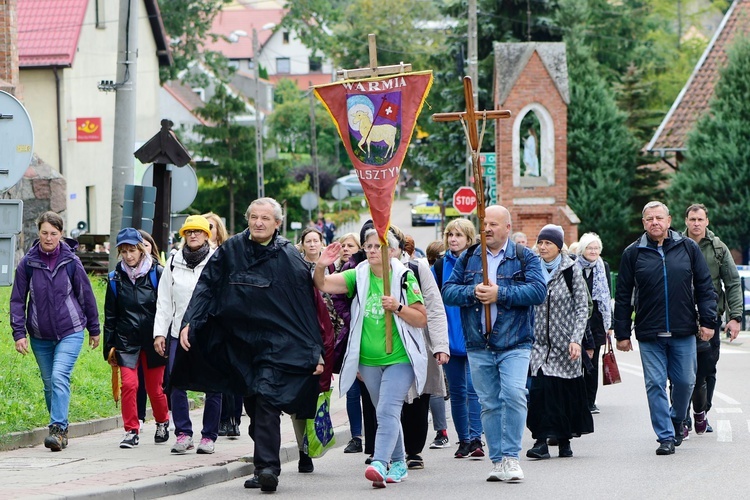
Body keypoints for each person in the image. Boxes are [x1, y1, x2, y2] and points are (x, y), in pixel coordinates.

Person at [169, 198, 329, 493]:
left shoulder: (290, 259)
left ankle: (269, 468)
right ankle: (261, 464)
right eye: (253, 217)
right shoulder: (231, 251)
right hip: (239, 343)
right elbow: (207, 285)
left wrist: (314, 349)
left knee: (267, 397)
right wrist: (191, 320)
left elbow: (306, 308)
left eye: (265, 218)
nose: (258, 222)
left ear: (277, 223)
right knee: (253, 404)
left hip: (276, 346)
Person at [314, 228, 429, 488]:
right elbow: (323, 284)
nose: (373, 251)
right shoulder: (359, 274)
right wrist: (321, 265)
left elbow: (421, 318)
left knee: (388, 410)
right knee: (385, 412)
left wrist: (398, 308)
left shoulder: (403, 277)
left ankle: (379, 461)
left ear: (390, 250)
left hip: (399, 358)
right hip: (368, 360)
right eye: (369, 246)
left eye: (379, 246)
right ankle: (399, 462)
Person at [442, 205, 546, 482]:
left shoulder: (525, 257)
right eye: (484, 224)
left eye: (493, 224)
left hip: (515, 342)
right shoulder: (469, 258)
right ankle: (498, 460)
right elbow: (449, 292)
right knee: (489, 403)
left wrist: (501, 293)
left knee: (513, 394)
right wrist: (473, 292)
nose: (486, 229)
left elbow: (538, 291)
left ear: (507, 228)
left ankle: (512, 457)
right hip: (479, 343)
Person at [614, 201, 717, 456]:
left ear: (669, 220)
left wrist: (708, 322)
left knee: (685, 381)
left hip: (683, 330)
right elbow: (624, 294)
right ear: (643, 223)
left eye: (659, 217)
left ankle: (677, 418)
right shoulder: (633, 253)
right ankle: (665, 436)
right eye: (649, 219)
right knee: (655, 384)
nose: (654, 222)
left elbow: (705, 287)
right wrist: (622, 334)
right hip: (650, 333)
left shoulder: (688, 247)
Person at [10, 211, 101, 451]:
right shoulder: (28, 263)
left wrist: (94, 328)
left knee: (60, 376)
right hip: (40, 336)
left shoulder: (71, 261)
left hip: (70, 331)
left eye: (53, 233)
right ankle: (60, 428)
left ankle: (57, 429)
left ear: (61, 234)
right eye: (44, 233)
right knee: (49, 384)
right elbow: (18, 300)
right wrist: (19, 333)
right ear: (37, 232)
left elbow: (86, 295)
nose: (48, 238)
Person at [152, 215, 221, 455]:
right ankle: (183, 433)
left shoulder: (217, 261)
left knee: (213, 385)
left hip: (209, 333)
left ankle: (209, 436)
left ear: (206, 235)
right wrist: (159, 333)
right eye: (188, 232)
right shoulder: (173, 262)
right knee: (176, 383)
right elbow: (163, 301)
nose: (193, 235)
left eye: (198, 231)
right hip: (175, 332)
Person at [526, 225, 593, 459]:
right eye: (540, 243)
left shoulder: (571, 269)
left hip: (566, 343)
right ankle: (540, 442)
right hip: (538, 344)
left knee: (563, 393)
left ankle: (564, 441)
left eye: (548, 243)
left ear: (558, 246)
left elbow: (582, 307)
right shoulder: (532, 267)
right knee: (540, 391)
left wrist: (576, 339)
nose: (542, 247)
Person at [104, 228, 169, 449]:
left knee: (155, 390)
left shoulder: (157, 273)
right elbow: (110, 315)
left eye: (132, 250)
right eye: (124, 251)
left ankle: (162, 421)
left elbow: (166, 307)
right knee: (130, 385)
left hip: (153, 340)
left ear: (141, 249)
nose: (129, 255)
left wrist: (164, 336)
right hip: (126, 340)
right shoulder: (115, 279)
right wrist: (109, 346)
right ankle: (131, 430)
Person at [682, 204, 742, 435]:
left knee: (706, 369)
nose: (696, 223)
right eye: (692, 219)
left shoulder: (718, 248)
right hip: (682, 318)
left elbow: (733, 282)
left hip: (710, 318)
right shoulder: (676, 244)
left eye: (700, 219)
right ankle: (681, 417)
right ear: (686, 221)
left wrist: (735, 317)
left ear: (707, 221)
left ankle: (702, 412)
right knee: (679, 370)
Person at [396, 231, 450, 470]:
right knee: (391, 399)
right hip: (384, 344)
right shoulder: (367, 270)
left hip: (419, 340)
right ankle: (392, 449)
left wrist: (440, 345)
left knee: (418, 397)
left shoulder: (418, 269)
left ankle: (414, 450)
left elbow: (435, 308)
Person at [432, 219, 485, 458]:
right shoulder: (441, 266)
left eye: (459, 235)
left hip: (474, 334)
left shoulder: (479, 262)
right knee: (457, 391)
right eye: (450, 235)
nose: (453, 239)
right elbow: (432, 301)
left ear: (469, 238)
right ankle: (463, 439)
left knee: (475, 390)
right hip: (449, 336)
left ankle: (476, 439)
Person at [332, 223, 379, 463]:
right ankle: (360, 439)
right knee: (354, 390)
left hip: (383, 342)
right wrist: (354, 316)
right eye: (367, 244)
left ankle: (385, 449)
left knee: (381, 400)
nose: (346, 249)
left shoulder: (399, 270)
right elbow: (336, 296)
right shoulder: (354, 269)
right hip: (353, 337)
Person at [574, 233, 612, 414]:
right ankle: (576, 399)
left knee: (592, 362)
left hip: (596, 319)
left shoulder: (602, 266)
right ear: (582, 249)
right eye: (590, 248)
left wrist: (609, 324)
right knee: (576, 361)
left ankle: (590, 401)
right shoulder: (574, 266)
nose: (593, 251)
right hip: (576, 318)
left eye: (596, 248)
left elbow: (607, 295)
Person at [136, 229, 162, 429]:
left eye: (146, 245)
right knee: (135, 382)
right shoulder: (120, 275)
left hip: (156, 334)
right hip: (132, 336)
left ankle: (162, 417)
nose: (142, 249)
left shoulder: (158, 273)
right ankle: (138, 418)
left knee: (156, 384)